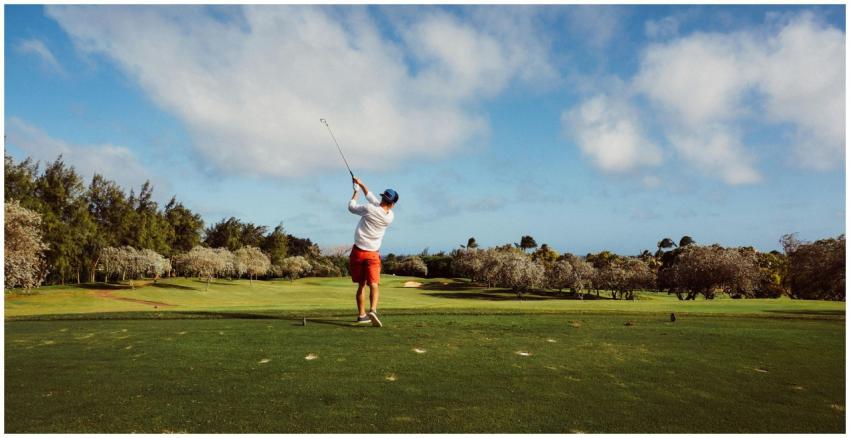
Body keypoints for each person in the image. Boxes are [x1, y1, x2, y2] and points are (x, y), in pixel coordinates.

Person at [348, 177, 398, 327]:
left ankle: (362, 315)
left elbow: (351, 207)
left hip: (358, 252)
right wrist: (361, 183)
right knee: (374, 284)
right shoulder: (390, 217)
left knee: (361, 285)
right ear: (393, 204)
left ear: (383, 198)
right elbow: (372, 198)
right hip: (373, 254)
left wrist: (355, 192)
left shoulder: (369, 209)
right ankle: (373, 311)